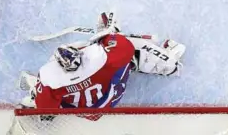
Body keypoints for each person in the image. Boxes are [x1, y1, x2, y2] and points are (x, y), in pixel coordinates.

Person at [18, 12, 185, 110]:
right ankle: (170, 66)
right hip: (108, 100)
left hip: (86, 111)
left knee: (51, 98)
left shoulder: (49, 77)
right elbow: (124, 45)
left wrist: (41, 95)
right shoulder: (99, 60)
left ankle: (35, 96)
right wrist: (110, 34)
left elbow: (46, 110)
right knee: (130, 50)